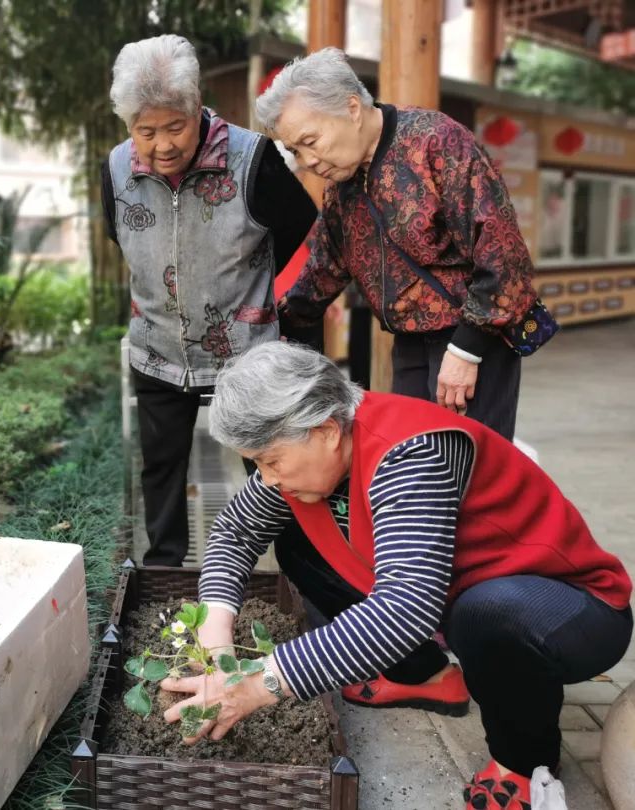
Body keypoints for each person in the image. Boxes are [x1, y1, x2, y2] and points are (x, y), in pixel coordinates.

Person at [160, 342, 632, 810]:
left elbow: (406, 607)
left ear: (324, 430)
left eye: (270, 460)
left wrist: (259, 683)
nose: (267, 478)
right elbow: (235, 532)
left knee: (483, 615)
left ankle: (526, 764)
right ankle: (426, 676)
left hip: (571, 609)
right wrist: (216, 631)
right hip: (458, 596)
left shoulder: (411, 453)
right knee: (299, 545)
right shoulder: (307, 458)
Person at [102, 35, 316, 566]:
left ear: (197, 107)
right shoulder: (115, 167)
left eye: (175, 126)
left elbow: (297, 222)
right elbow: (120, 233)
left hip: (245, 350)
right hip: (155, 344)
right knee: (162, 464)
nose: (162, 144)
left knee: (271, 461)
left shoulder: (252, 157)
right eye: (145, 131)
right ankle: (165, 564)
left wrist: (248, 273)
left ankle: (294, 567)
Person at [259, 47, 540, 440]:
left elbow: (503, 255)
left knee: (472, 469)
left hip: (473, 337)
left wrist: (467, 350)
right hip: (409, 341)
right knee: (416, 466)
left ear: (352, 108)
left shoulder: (435, 142)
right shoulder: (341, 183)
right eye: (295, 151)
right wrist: (270, 322)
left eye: (310, 141)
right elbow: (325, 267)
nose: (307, 160)